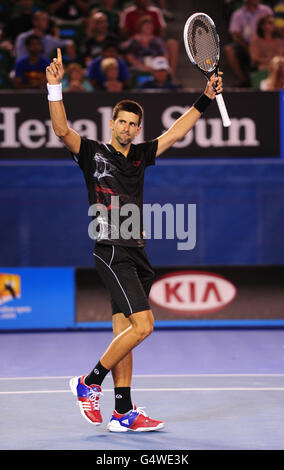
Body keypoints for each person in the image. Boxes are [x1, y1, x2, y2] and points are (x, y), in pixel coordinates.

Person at [46, 47, 223, 433]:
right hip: (110, 249)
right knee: (144, 326)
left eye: (132, 124)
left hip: (138, 251)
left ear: (137, 129)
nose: (126, 128)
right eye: (121, 122)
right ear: (110, 123)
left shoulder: (141, 155)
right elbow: (61, 130)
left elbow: (177, 131)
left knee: (125, 332)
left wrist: (206, 98)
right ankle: (88, 382)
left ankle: (122, 411)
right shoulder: (92, 153)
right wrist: (53, 88)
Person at [225, 0, 273, 86]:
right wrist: (248, 48)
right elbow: (235, 35)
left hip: (264, 43)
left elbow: (272, 28)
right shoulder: (237, 14)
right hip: (246, 46)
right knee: (230, 49)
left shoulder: (266, 10)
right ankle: (245, 81)